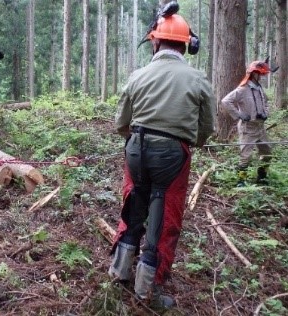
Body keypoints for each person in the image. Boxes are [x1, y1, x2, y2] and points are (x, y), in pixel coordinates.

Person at [108, 2, 216, 311]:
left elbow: (121, 124)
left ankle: (120, 270)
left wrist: (135, 142)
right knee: (163, 217)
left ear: (156, 40)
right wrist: (192, 141)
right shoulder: (197, 79)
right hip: (172, 154)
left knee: (134, 205)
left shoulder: (138, 75)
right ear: (185, 44)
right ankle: (148, 289)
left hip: (136, 148)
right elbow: (206, 127)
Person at [221, 59, 277, 186]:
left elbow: (266, 103)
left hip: (260, 127)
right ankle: (241, 181)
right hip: (248, 128)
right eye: (259, 74)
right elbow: (226, 101)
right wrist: (239, 115)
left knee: (267, 153)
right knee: (246, 156)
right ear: (253, 74)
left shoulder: (259, 89)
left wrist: (265, 113)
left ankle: (262, 176)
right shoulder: (242, 89)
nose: (261, 77)